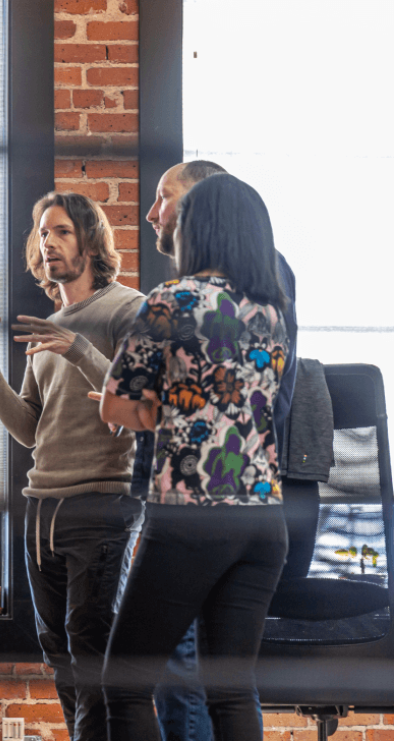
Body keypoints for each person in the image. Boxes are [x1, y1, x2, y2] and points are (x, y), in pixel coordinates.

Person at [0, 192, 146, 741]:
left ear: (90, 239)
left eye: (60, 231)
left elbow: (140, 400)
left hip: (101, 504)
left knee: (92, 654)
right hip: (42, 512)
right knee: (59, 655)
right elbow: (31, 430)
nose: (47, 241)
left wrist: (79, 349)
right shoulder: (52, 323)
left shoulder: (128, 309)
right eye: (41, 233)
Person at [101, 174, 290, 741]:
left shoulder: (173, 301)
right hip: (264, 518)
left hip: (193, 513)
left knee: (125, 684)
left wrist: (164, 409)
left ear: (198, 230)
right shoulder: (273, 313)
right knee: (230, 691)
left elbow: (116, 404)